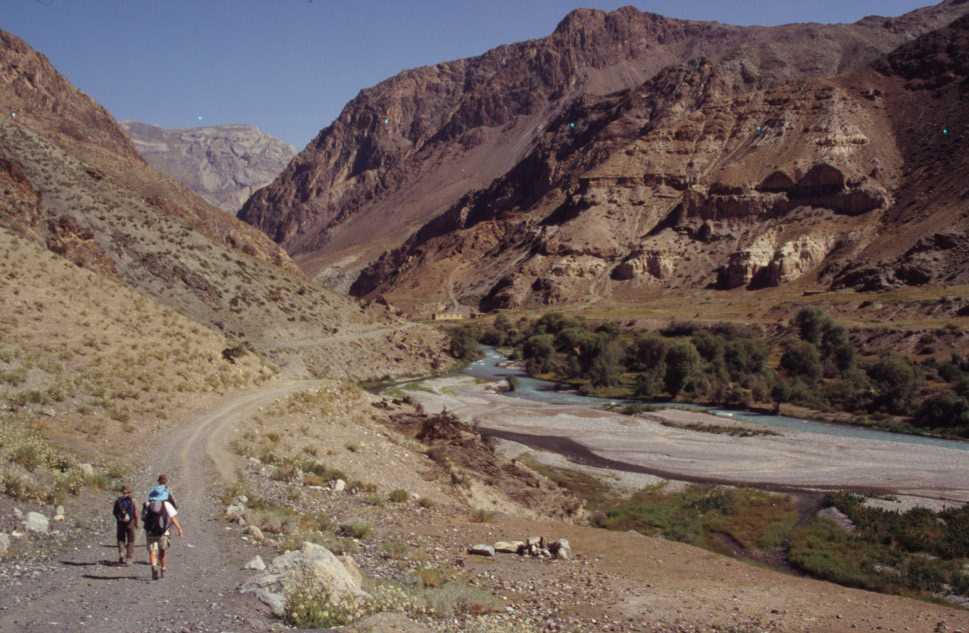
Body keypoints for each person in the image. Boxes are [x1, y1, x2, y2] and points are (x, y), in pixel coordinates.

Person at [143, 486, 184, 580]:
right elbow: (173, 518)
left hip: (150, 533)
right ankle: (163, 568)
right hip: (163, 533)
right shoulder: (166, 504)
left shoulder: (148, 504)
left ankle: (153, 566)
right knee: (162, 552)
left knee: (152, 551)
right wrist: (179, 529)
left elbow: (143, 518)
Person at [112, 485, 138, 565]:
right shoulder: (132, 500)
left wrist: (119, 518)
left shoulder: (117, 501)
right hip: (130, 523)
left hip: (120, 523)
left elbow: (114, 512)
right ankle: (129, 558)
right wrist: (136, 522)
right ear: (130, 492)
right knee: (131, 540)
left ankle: (121, 554)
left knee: (120, 539)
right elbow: (135, 513)